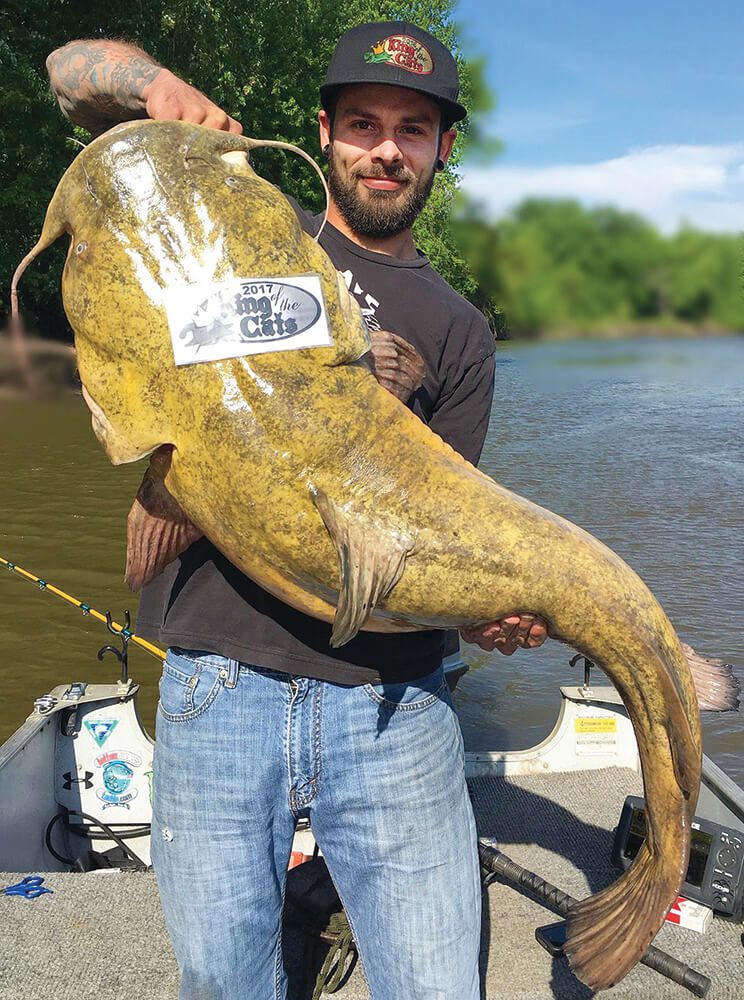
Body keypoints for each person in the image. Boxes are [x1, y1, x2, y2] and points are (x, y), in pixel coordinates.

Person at [47, 22, 547, 1000]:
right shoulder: (238, 224)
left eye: (414, 127)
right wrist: (155, 89)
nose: (387, 148)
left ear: (444, 147)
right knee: (226, 983)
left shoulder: (459, 331)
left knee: (441, 987)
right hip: (216, 688)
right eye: (363, 123)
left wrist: (489, 606)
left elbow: (432, 531)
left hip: (394, 702)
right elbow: (67, 73)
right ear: (323, 133)